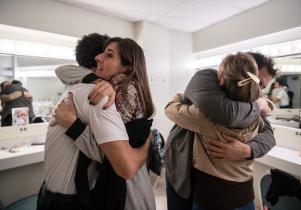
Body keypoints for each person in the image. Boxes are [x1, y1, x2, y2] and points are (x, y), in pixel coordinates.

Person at [38, 35, 156, 210]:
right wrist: (97, 80)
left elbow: (119, 161)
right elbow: (62, 70)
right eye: (102, 53)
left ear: (127, 65)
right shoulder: (102, 87)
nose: (99, 58)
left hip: (131, 191)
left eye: (109, 55)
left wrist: (73, 125)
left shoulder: (114, 92)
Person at [163, 51, 278, 210]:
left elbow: (269, 136)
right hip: (183, 169)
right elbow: (229, 114)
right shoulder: (209, 81)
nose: (257, 89)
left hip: (213, 191)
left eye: (262, 87)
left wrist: (248, 150)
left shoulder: (206, 115)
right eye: (257, 82)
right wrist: (260, 105)